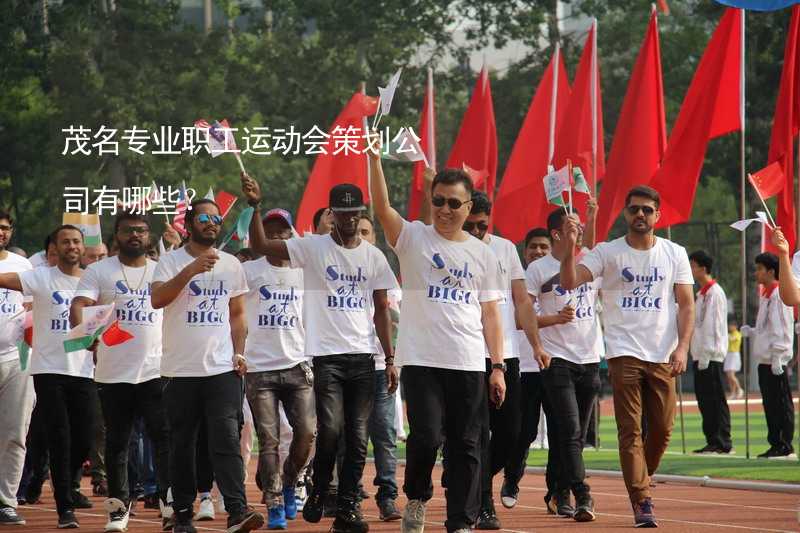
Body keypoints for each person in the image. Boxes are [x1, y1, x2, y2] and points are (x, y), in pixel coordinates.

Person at [242, 175, 396, 533]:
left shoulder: (374, 256)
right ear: (331, 214)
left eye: (354, 212)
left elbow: (382, 308)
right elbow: (262, 244)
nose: (348, 219)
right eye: (341, 213)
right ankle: (318, 488)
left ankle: (347, 509)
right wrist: (255, 206)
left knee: (358, 438)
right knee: (330, 431)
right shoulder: (311, 248)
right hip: (325, 358)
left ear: (361, 212)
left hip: (363, 357)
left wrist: (389, 359)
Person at [368, 147, 506, 532]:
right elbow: (382, 209)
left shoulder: (482, 255)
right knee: (426, 436)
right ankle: (416, 496)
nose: (444, 209)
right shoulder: (413, 237)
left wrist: (496, 366)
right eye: (438, 201)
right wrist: (375, 161)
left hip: (466, 360)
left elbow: (491, 314)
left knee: (467, 444)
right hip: (422, 360)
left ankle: (460, 520)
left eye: (453, 203)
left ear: (468, 205)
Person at [559, 185, 694, 528]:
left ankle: (641, 482)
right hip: (623, 352)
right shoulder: (608, 252)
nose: (640, 215)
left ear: (657, 216)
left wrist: (682, 347)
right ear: (625, 213)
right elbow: (570, 280)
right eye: (634, 209)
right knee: (630, 430)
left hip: (662, 353)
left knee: (662, 430)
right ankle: (642, 500)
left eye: (647, 210)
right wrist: (570, 246)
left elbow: (687, 304)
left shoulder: (675, 253)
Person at [151, 198, 264, 533]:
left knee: (226, 439)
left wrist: (239, 352)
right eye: (204, 217)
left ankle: (237, 510)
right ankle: (182, 513)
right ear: (189, 223)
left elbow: (238, 313)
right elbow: (157, 299)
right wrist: (192, 269)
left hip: (222, 370)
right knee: (182, 443)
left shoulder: (231, 264)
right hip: (179, 371)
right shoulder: (170, 262)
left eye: (216, 218)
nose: (212, 223)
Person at [70, 212, 171, 532]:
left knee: (163, 439)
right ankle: (118, 507)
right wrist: (86, 335)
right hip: (114, 372)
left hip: (157, 369)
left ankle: (170, 504)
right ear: (117, 235)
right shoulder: (98, 271)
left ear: (149, 236)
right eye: (128, 231)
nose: (135, 236)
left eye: (141, 231)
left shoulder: (161, 271)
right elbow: (79, 306)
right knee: (117, 442)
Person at [459, 192, 548, 530]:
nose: (477, 231)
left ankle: (468, 474)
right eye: (472, 226)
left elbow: (522, 300)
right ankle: (484, 504)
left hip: (505, 355)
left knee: (512, 434)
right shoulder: (449, 247)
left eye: (483, 226)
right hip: (466, 354)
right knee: (478, 433)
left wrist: (536, 343)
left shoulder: (505, 249)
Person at [0, 225, 97, 529]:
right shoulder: (39, 277)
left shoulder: (94, 280)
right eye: (65, 241)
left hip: (83, 370)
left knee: (85, 437)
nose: (72, 246)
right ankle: (64, 508)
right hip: (48, 368)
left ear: (83, 247)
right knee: (60, 436)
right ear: (54, 248)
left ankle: (66, 486)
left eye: (76, 241)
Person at [526, 208, 603, 523]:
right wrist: (539, 342)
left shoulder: (590, 263)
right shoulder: (537, 269)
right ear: (557, 233)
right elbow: (525, 315)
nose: (578, 232)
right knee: (569, 430)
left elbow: (596, 246)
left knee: (571, 434)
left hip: (590, 358)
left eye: (580, 228)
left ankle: (557, 491)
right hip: (557, 358)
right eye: (571, 228)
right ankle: (581, 492)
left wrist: (592, 215)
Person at [241, 208, 315, 529]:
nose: (277, 236)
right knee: (268, 440)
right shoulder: (249, 272)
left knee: (307, 434)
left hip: (298, 364)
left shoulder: (303, 272)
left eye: (283, 231)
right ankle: (273, 501)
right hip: (260, 368)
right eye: (269, 231)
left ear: (291, 235)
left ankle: (288, 481)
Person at [502, 227, 553, 511]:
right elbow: (520, 319)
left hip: (557, 363)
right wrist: (554, 319)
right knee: (525, 431)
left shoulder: (561, 279)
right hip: (525, 366)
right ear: (525, 251)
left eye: (544, 247)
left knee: (562, 433)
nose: (538, 252)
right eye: (533, 247)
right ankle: (512, 477)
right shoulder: (517, 283)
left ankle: (557, 491)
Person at [356, 213, 403, 521]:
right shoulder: (336, 275)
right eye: (357, 230)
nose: (361, 236)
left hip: (379, 366)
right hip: (351, 365)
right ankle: (350, 492)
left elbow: (396, 320)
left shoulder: (386, 277)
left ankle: (387, 496)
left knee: (384, 434)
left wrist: (391, 361)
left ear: (374, 238)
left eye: (367, 231)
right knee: (352, 435)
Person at [0, 212, 35, 526]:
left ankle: (6, 500)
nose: (0, 233)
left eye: (4, 228)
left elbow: (34, 309)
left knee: (14, 433)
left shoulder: (22, 267)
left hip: (16, 359)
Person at [688, 250, 732, 455]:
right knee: (705, 399)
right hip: (700, 354)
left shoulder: (715, 293)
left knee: (715, 398)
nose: (690, 270)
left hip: (710, 355)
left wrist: (707, 352)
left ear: (702, 268)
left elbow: (713, 327)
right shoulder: (701, 294)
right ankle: (712, 438)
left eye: (693, 265)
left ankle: (722, 440)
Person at [751, 251, 795, 458]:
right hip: (764, 358)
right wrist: (753, 332)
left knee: (781, 402)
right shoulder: (766, 295)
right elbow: (766, 327)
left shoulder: (778, 294)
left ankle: (785, 444)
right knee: (770, 403)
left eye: (760, 269)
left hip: (775, 358)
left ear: (770, 271)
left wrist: (779, 354)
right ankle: (775, 442)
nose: (756, 273)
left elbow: (782, 326)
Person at [725, 321, 744, 399]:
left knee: (731, 375)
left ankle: (739, 389)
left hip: (734, 355)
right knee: (728, 376)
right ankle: (733, 392)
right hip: (728, 355)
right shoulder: (730, 334)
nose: (730, 327)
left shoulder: (738, 334)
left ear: (735, 326)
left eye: (731, 326)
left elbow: (732, 339)